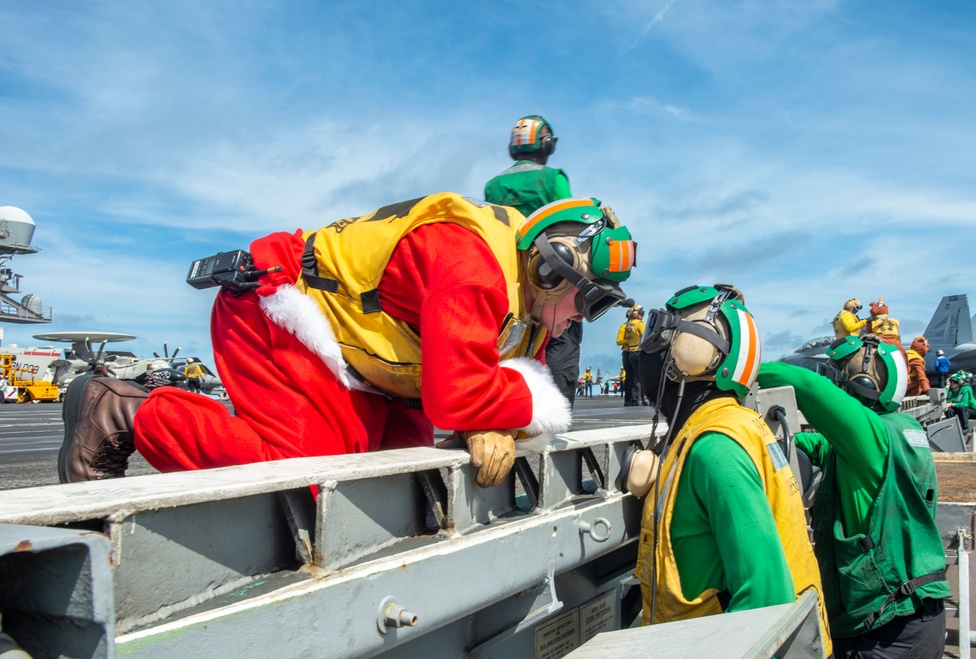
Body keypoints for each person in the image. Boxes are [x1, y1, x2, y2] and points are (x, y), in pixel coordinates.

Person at [58, 193, 636, 488]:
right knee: (306, 477)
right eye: (587, 302)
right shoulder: (473, 268)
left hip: (365, 359)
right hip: (281, 314)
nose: (581, 320)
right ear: (551, 272)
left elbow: (480, 391)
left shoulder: (529, 306)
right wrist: (493, 410)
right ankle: (123, 411)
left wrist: (495, 418)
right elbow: (457, 397)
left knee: (399, 476)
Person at [630, 284, 831, 655]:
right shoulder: (729, 426)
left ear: (694, 354)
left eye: (663, 335)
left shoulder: (716, 450)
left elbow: (765, 600)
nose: (649, 351)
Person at [757, 335, 949, 658]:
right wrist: (791, 443)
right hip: (917, 615)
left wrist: (735, 367)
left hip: (886, 629)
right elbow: (826, 448)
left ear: (863, 382)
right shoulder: (898, 430)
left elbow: (802, 384)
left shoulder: (869, 436)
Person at [485, 115, 581, 409]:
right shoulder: (554, 179)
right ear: (547, 145)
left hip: (505, 274)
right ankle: (555, 411)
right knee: (562, 341)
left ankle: (505, 408)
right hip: (550, 272)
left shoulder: (493, 186)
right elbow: (569, 228)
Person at [617, 305, 645, 406]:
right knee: (633, 376)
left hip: (631, 352)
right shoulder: (625, 326)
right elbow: (619, 341)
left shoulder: (628, 325)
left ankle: (634, 399)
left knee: (633, 376)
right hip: (629, 351)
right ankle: (632, 399)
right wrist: (628, 342)